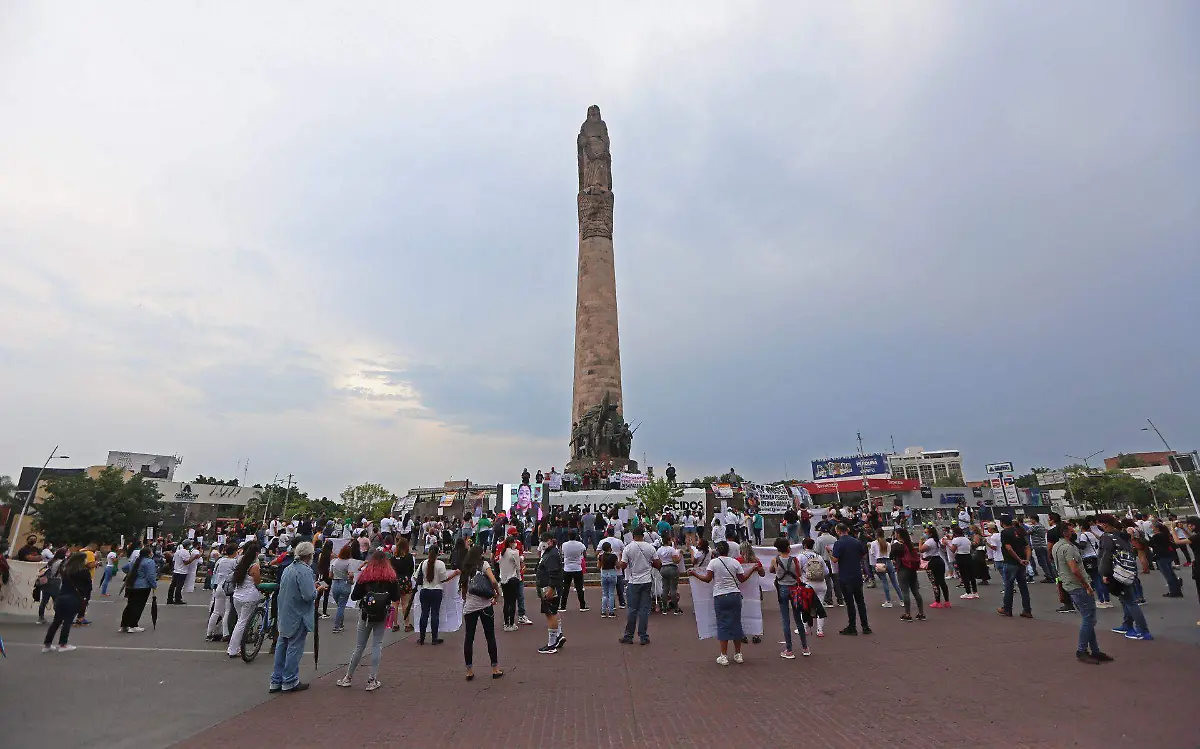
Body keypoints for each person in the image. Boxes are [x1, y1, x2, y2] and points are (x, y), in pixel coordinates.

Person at [685, 540, 759, 665]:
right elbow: (742, 579)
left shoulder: (714, 563)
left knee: (722, 624)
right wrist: (752, 569)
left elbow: (708, 579)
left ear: (717, 551)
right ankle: (738, 654)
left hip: (720, 595)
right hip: (735, 595)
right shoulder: (735, 562)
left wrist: (694, 573)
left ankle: (723, 655)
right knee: (736, 623)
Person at [336, 550, 400, 691]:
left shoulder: (366, 575)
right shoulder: (391, 577)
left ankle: (348, 677)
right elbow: (396, 597)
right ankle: (372, 679)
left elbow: (354, 596)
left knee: (359, 646)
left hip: (366, 614)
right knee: (377, 644)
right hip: (382, 614)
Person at [1053, 523, 1113, 664]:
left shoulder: (1057, 546)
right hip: (1078, 586)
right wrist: (1086, 585)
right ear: (1065, 533)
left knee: (1089, 618)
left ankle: (1095, 650)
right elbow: (1074, 569)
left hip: (1070, 585)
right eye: (1070, 529)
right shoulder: (1068, 548)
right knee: (1089, 619)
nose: (1073, 531)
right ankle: (1081, 650)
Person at [270, 541, 323, 693]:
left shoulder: (288, 568)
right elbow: (308, 595)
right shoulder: (304, 571)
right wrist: (318, 589)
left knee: (282, 645)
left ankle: (276, 679)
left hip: (285, 613)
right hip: (298, 615)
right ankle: (290, 680)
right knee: (294, 647)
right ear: (310, 556)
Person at [1096, 515, 1153, 641]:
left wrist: (1105, 574)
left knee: (1130, 601)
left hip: (1116, 572)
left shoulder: (1106, 537)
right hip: (1128, 570)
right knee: (1125, 600)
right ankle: (1127, 624)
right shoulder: (1121, 535)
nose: (1097, 527)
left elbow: (1105, 557)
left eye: (1098, 524)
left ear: (1104, 524)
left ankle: (1143, 630)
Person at [458, 544, 503, 681]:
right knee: (490, 636)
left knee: (469, 638)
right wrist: (497, 594)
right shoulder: (483, 565)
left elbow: (464, 593)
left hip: (470, 607)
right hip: (485, 605)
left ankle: (469, 671)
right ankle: (495, 669)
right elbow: (494, 581)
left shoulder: (466, 567)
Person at [618, 526, 659, 646]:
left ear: (633, 535)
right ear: (643, 535)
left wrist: (620, 560)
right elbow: (658, 563)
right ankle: (643, 636)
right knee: (644, 610)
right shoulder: (650, 547)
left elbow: (623, 565)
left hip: (634, 580)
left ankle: (628, 636)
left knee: (632, 609)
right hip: (646, 580)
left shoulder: (628, 548)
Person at [40, 551, 89, 652]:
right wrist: (85, 600)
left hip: (61, 596)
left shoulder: (66, 570)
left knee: (56, 621)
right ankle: (63, 644)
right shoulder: (83, 572)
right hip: (74, 598)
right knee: (67, 621)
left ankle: (47, 644)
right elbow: (88, 587)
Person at [770, 537, 810, 658]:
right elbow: (798, 574)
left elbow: (772, 571)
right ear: (788, 547)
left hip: (782, 589)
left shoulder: (775, 560)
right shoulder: (795, 560)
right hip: (794, 589)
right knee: (798, 619)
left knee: (785, 619)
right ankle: (805, 647)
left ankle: (789, 649)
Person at [831, 523, 871, 635]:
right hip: (857, 575)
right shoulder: (856, 541)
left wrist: (829, 552)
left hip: (845, 576)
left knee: (850, 603)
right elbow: (862, 555)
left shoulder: (838, 543)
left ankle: (852, 626)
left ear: (838, 531)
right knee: (860, 602)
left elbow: (834, 559)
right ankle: (865, 626)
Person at [225, 541, 262, 656]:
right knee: (242, 623)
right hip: (249, 597)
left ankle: (235, 647)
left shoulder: (241, 562)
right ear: (256, 553)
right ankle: (233, 649)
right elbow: (257, 582)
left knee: (240, 622)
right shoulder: (254, 566)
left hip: (238, 595)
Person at [416, 543, 457, 645]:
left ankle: (422, 638)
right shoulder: (440, 564)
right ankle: (434, 638)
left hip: (425, 590)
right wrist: (454, 574)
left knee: (424, 614)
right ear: (438, 552)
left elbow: (416, 577)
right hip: (436, 591)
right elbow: (443, 579)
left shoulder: (423, 563)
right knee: (435, 614)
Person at [997, 516, 1033, 619]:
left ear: (1002, 523)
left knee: (1009, 586)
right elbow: (1027, 547)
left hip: (1011, 562)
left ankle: (1007, 609)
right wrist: (1026, 559)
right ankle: (1027, 610)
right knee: (1023, 586)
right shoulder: (1019, 531)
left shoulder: (1005, 532)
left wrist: (1018, 559)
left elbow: (1008, 548)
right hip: (1021, 563)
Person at [536, 532, 565, 654]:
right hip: (546, 586)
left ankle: (551, 644)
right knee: (552, 612)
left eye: (543, 541)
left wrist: (551, 589)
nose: (541, 543)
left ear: (549, 541)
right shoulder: (549, 553)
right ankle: (558, 635)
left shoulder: (552, 554)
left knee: (550, 613)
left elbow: (554, 573)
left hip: (550, 587)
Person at [118, 544, 157, 633]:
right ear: (149, 554)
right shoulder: (149, 562)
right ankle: (133, 625)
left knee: (130, 605)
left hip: (132, 585)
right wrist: (154, 585)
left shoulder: (135, 561)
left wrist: (132, 573)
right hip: (143, 587)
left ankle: (124, 625)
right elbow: (150, 576)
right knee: (138, 606)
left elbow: (124, 568)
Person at [891, 528, 926, 622]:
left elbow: (891, 554)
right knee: (915, 591)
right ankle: (921, 613)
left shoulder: (897, 545)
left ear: (898, 534)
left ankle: (908, 614)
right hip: (912, 569)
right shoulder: (909, 544)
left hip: (902, 569)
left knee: (905, 592)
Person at [795, 538, 828, 637]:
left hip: (808, 584)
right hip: (821, 584)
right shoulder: (819, 556)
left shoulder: (801, 556)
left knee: (805, 607)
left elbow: (797, 570)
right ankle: (820, 630)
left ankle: (804, 628)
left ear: (804, 546)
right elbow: (826, 572)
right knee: (820, 607)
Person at [206, 543, 238, 642]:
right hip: (228, 587)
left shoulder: (220, 560)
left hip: (218, 586)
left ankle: (209, 633)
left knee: (216, 611)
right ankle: (226, 633)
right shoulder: (234, 562)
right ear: (234, 552)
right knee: (227, 611)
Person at [1148, 522, 1184, 598]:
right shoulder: (1165, 534)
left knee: (1168, 575)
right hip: (1168, 554)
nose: (1152, 528)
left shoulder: (1156, 536)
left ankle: (1173, 592)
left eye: (1153, 527)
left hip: (1161, 556)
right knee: (1171, 573)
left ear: (1157, 528)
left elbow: (1150, 543)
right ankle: (1177, 590)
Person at [329, 543, 358, 633]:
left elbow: (330, 575)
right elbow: (351, 574)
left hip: (335, 584)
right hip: (344, 584)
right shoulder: (349, 562)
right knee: (341, 606)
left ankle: (340, 624)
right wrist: (351, 580)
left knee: (339, 606)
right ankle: (337, 626)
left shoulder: (334, 562)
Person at [559, 529, 588, 612]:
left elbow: (562, 553)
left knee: (565, 588)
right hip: (577, 568)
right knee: (579, 588)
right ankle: (582, 605)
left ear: (568, 536)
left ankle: (563, 606)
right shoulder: (580, 545)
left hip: (567, 568)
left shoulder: (564, 545)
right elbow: (584, 554)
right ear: (576, 536)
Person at [390, 537, 416, 632]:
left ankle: (394, 624)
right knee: (405, 604)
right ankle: (407, 624)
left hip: (395, 581)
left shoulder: (392, 558)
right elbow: (411, 570)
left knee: (394, 604)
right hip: (405, 580)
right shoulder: (409, 557)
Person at [499, 535, 524, 630]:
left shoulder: (502, 553)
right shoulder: (515, 553)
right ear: (510, 543)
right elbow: (518, 567)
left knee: (506, 602)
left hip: (504, 579)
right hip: (513, 579)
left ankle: (506, 624)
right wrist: (519, 577)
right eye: (514, 542)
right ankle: (512, 623)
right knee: (513, 602)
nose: (515, 544)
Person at [870, 530, 901, 608]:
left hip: (880, 562)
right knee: (894, 582)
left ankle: (888, 601)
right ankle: (902, 599)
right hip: (888, 561)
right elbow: (890, 552)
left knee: (884, 581)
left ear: (876, 534)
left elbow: (872, 553)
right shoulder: (887, 543)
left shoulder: (873, 543)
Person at [36, 548, 66, 624]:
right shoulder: (61, 562)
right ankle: (58, 618)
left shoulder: (51, 561)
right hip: (56, 582)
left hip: (47, 582)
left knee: (44, 601)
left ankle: (41, 617)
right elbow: (63, 572)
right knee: (56, 600)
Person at [949, 527, 978, 600]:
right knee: (971, 575)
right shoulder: (966, 539)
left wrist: (947, 543)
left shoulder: (956, 540)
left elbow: (952, 550)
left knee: (964, 575)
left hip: (960, 557)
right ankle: (975, 592)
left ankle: (968, 592)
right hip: (968, 556)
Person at [657, 534, 683, 615]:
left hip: (663, 568)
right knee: (673, 589)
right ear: (668, 541)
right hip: (672, 568)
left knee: (665, 589)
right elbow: (676, 561)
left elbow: (658, 560)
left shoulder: (659, 550)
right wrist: (680, 555)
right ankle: (676, 609)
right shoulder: (671, 549)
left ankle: (664, 608)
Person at [315, 539, 334, 618]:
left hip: (321, 575)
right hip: (327, 576)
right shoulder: (331, 555)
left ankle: (316, 611)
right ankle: (324, 612)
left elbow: (319, 564)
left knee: (319, 593)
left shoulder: (321, 554)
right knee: (326, 594)